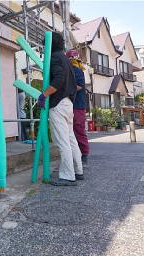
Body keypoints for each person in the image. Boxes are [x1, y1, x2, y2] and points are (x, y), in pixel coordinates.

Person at [38, 32, 83, 186]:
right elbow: (73, 84)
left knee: (62, 141)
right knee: (71, 139)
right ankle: (78, 171)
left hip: (58, 103)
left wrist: (44, 95)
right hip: (68, 103)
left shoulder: (55, 57)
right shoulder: (66, 59)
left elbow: (59, 79)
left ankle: (68, 176)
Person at [66, 50, 90, 169]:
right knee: (73, 134)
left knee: (78, 133)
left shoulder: (77, 71)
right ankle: (78, 159)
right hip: (73, 106)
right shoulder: (74, 71)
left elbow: (79, 86)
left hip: (77, 106)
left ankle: (84, 159)